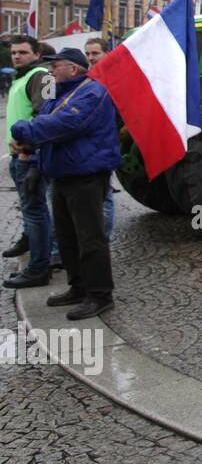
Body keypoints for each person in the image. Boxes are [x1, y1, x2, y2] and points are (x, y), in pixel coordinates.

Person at [11, 48, 121, 320]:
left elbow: (64, 124)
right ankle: (78, 286)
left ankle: (100, 294)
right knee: (67, 237)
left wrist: (23, 131)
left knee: (90, 238)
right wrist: (32, 151)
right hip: (62, 174)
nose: (51, 70)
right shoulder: (58, 91)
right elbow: (45, 120)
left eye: (56, 65)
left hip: (85, 176)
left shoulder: (92, 92)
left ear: (73, 69)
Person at [3, 36, 53, 287]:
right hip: (19, 156)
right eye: (14, 52)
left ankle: (39, 267)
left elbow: (44, 113)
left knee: (35, 211)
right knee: (29, 209)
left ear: (37, 53)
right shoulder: (22, 76)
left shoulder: (42, 75)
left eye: (23, 52)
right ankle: (30, 245)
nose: (17, 56)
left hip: (30, 156)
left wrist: (29, 148)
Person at [83, 38, 116, 236]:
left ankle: (104, 236)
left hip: (104, 141)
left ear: (106, 53)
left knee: (105, 193)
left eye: (95, 53)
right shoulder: (91, 76)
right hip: (93, 142)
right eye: (87, 54)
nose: (91, 58)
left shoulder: (111, 76)